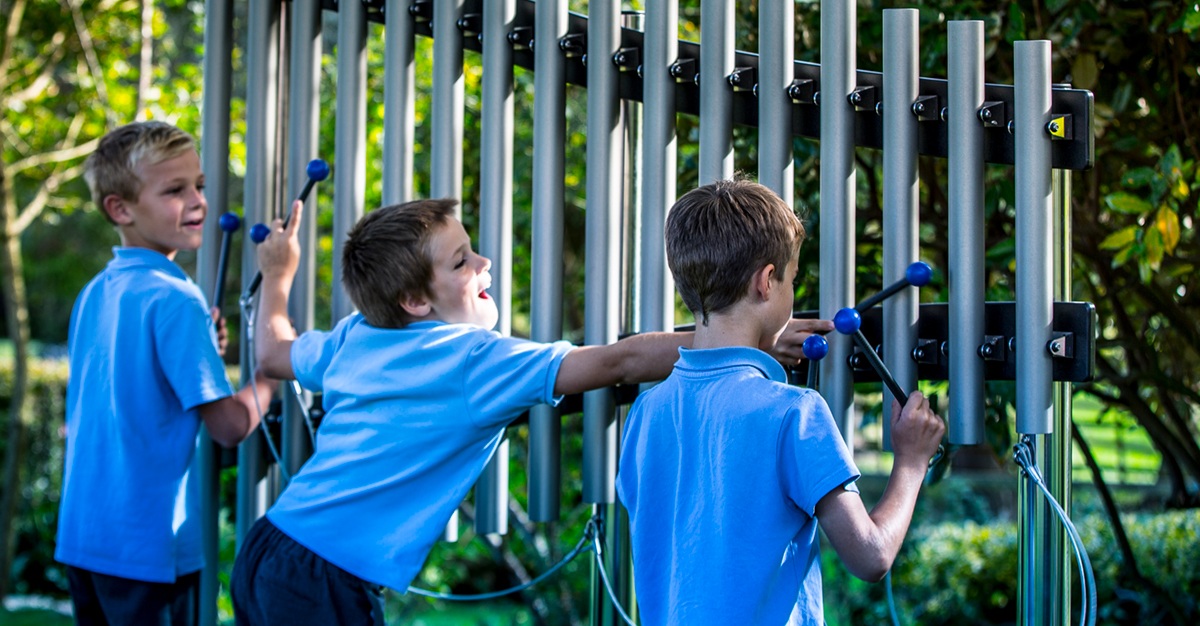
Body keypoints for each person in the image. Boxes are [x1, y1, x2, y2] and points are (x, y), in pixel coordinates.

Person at [230, 197, 828, 625]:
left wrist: (277, 276)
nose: (485, 263)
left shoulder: (356, 334)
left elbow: (272, 351)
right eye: (461, 262)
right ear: (414, 300)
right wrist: (746, 339)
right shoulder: (471, 360)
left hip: (269, 548)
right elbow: (617, 362)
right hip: (325, 582)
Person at [616, 179, 946, 626]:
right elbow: (871, 555)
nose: (792, 292)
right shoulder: (794, 413)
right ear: (766, 282)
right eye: (791, 280)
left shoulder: (646, 414)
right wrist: (911, 460)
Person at [56, 120, 278, 626]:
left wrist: (202, 345)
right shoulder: (176, 298)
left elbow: (137, 383)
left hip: (87, 537)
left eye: (199, 185)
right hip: (149, 545)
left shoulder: (98, 290)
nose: (198, 201)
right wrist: (271, 368)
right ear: (121, 208)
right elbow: (229, 426)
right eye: (175, 191)